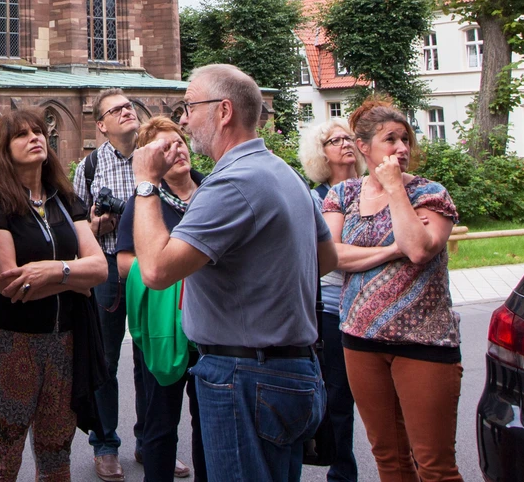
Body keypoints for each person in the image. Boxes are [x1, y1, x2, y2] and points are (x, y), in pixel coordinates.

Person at [129, 64, 336, 482]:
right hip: (290, 371)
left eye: (190, 106)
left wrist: (146, 184)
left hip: (245, 376)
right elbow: (325, 259)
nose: (184, 119)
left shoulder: (230, 183)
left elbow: (154, 269)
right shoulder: (284, 173)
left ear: (224, 111)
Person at [321, 99, 461, 482]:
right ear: (364, 146)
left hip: (424, 343)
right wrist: (388, 251)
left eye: (405, 139)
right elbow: (329, 256)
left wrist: (395, 188)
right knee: (390, 459)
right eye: (390, 139)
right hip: (359, 340)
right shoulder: (343, 195)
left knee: (434, 466)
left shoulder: (430, 194)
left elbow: (418, 248)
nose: (401, 147)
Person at [0, 109, 106, 480]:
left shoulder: (65, 200)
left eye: (39, 131)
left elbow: (99, 269)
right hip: (11, 343)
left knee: (56, 458)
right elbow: (10, 285)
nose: (35, 138)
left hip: (65, 343)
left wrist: (55, 270)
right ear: (3, 148)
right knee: (2, 459)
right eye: (22, 135)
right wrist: (75, 277)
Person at [114, 117, 205, 482]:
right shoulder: (143, 201)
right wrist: (174, 270)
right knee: (160, 421)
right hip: (162, 329)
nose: (177, 151)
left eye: (179, 142)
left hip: (210, 326)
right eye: (164, 148)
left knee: (209, 421)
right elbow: (123, 261)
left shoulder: (214, 189)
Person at [71, 87, 150, 481]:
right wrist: (95, 224)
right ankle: (105, 444)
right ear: (100, 125)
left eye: (129, 106)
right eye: (115, 110)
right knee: (105, 362)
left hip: (152, 264)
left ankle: (154, 441)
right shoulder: (88, 167)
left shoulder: (155, 156)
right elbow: (75, 228)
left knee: (154, 357)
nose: (126, 112)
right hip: (105, 268)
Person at [297, 118, 366, 482]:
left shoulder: (375, 191)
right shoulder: (314, 199)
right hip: (331, 307)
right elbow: (326, 257)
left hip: (371, 306)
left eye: (349, 137)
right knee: (338, 400)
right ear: (320, 154)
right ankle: (343, 474)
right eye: (335, 140)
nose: (346, 144)